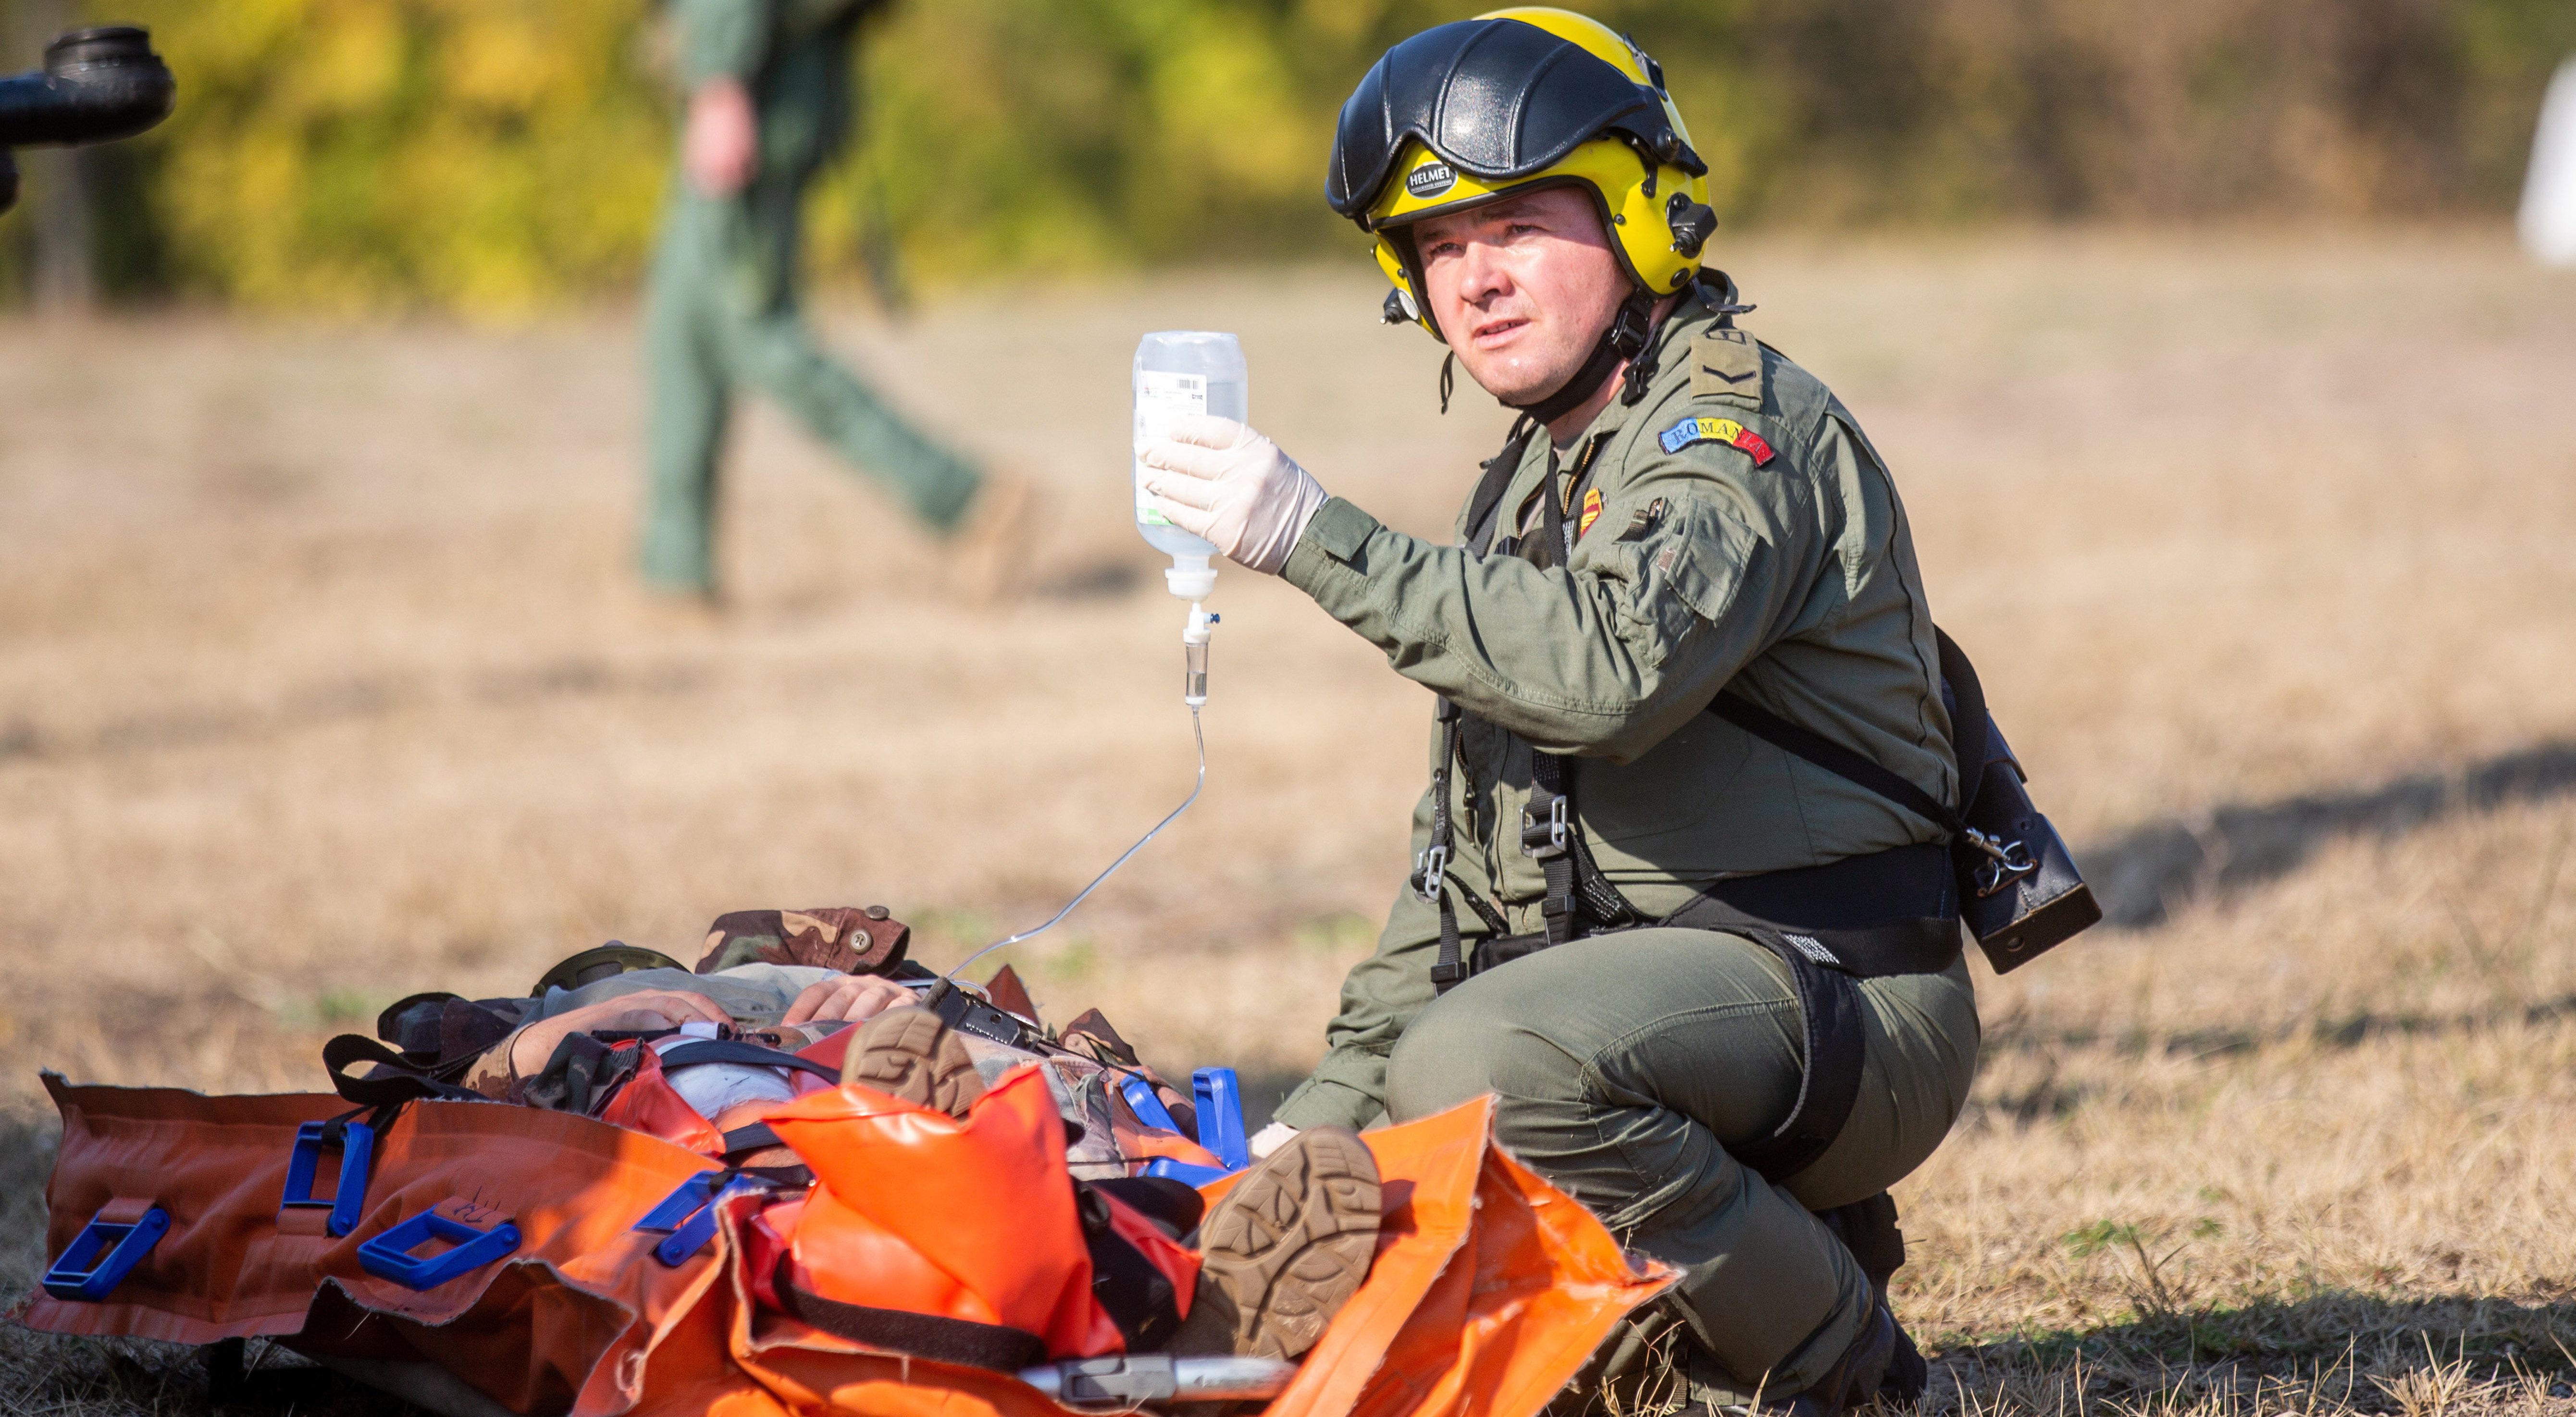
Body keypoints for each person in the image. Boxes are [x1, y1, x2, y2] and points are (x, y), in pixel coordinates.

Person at [1137, 10, 1979, 1414]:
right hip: (1672, 1007)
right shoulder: (1529, 480)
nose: (1474, 279)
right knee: (1408, 1163)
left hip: (1840, 996)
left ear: (1644, 216)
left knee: (1479, 1063)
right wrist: (1308, 1127)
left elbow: (1604, 671)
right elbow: (1459, 876)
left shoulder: (1734, 432)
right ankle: (1755, 1289)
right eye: (1437, 247)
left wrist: (1306, 533)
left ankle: (1853, 1378)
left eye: (1518, 222)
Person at [644, 0, 1031, 603]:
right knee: (682, 324)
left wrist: (720, 80)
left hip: (755, 91)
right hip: (773, 88)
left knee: (757, 333)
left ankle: (964, 501)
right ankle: (676, 569)